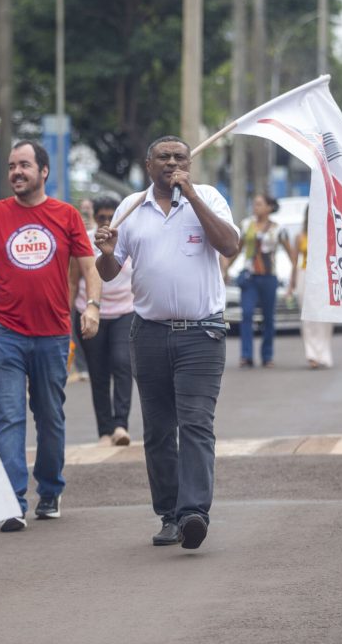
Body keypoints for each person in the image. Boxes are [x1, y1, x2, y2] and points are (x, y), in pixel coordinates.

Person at [95, 135, 240, 550]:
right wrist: (105, 252)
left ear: (189, 163)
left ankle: (194, 511)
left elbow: (230, 244)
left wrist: (191, 194)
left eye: (180, 157)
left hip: (202, 334)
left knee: (195, 423)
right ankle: (169, 514)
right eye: (164, 157)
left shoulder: (208, 198)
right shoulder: (130, 209)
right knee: (159, 430)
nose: (173, 163)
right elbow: (108, 272)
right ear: (148, 163)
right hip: (150, 333)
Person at [0, 140, 101, 532]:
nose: (16, 172)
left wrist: (92, 306)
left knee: (50, 417)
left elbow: (89, 268)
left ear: (43, 171)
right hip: (4, 330)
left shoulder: (66, 215)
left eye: (24, 165)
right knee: (8, 416)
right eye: (11, 166)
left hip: (53, 332)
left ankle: (50, 490)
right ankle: (11, 499)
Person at [71, 195, 135, 447]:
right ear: (94, 218)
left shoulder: (127, 239)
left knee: (122, 363)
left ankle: (121, 425)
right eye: (102, 218)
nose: (107, 222)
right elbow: (73, 281)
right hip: (90, 314)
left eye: (112, 216)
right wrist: (67, 320)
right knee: (98, 374)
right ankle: (105, 432)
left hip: (125, 311)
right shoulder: (84, 241)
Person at [230, 192, 295, 368]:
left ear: (269, 207)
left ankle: (267, 356)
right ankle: (246, 355)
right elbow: (237, 249)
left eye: (259, 204)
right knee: (247, 314)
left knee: (268, 318)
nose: (256, 207)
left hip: (269, 277)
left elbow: (291, 254)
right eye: (255, 203)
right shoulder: (246, 225)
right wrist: (226, 268)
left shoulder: (278, 229)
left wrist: (293, 279)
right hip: (249, 277)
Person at [291, 205, 332, 369]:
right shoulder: (300, 237)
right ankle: (311, 354)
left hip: (323, 276)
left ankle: (323, 353)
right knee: (307, 317)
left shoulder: (328, 233)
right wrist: (291, 284)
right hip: (304, 275)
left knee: (325, 317)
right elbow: (294, 262)